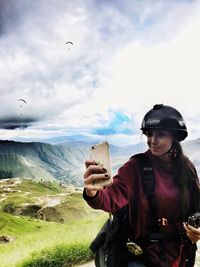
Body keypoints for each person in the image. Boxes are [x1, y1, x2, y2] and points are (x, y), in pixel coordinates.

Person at [83, 104, 200, 267]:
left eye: (160, 134)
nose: (153, 140)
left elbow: (196, 207)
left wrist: (196, 230)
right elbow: (110, 197)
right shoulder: (135, 167)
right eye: (150, 134)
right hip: (144, 257)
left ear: (174, 137)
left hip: (179, 255)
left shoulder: (187, 168)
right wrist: (92, 193)